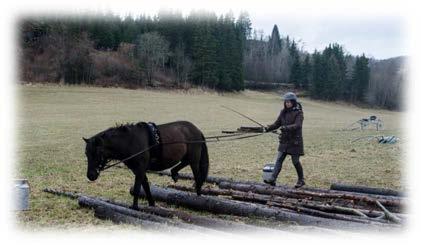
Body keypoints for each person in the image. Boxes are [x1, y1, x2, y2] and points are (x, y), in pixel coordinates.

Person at [264, 92, 305, 188]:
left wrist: (286, 127)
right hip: (284, 141)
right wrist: (268, 128)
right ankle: (272, 179)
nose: (287, 103)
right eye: (286, 102)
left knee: (295, 162)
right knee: (279, 160)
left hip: (295, 142)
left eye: (289, 102)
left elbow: (298, 125)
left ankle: (301, 180)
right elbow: (277, 124)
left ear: (293, 102)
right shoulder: (283, 112)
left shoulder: (299, 113)